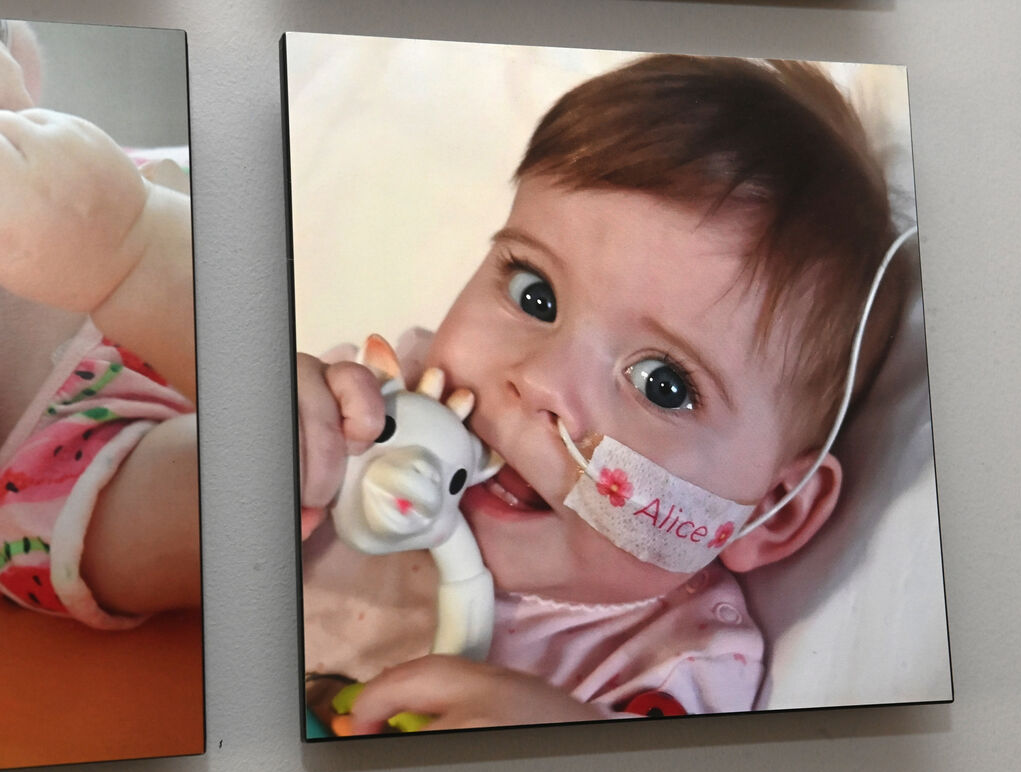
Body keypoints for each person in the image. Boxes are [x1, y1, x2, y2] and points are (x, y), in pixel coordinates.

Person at [295, 53, 912, 732]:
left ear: (774, 511)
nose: (536, 382)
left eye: (664, 384)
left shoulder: (672, 671)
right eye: (535, 293)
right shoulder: (375, 413)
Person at [0, 15, 199, 628]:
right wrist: (139, 255)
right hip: (51, 471)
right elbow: (296, 466)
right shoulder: (51, 515)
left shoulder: (79, 173)